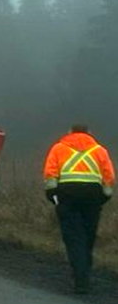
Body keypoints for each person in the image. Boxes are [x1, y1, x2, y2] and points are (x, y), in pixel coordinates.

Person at [43, 124, 114, 294]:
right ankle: (84, 274)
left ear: (69, 133)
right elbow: (109, 177)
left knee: (74, 237)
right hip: (92, 198)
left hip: (67, 196)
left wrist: (52, 195)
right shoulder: (100, 150)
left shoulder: (58, 148)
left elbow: (50, 173)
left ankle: (80, 279)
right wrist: (103, 197)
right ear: (90, 133)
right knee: (88, 236)